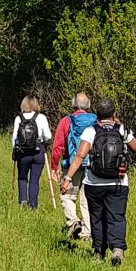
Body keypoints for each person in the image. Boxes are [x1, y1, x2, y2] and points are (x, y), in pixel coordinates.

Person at [59, 100, 136, 265]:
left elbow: (80, 156)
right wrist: (122, 128)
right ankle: (117, 249)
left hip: (94, 183)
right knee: (116, 217)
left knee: (97, 217)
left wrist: (67, 179)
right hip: (118, 182)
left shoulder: (91, 130)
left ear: (97, 114)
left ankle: (98, 253)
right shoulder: (121, 129)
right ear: (113, 113)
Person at [48, 93, 96, 240]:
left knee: (66, 195)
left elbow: (58, 146)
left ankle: (73, 222)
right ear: (88, 104)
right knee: (86, 199)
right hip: (92, 165)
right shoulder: (96, 120)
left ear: (73, 103)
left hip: (71, 165)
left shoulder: (67, 121)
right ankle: (87, 233)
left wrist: (54, 166)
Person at [12, 95, 54, 209]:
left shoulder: (18, 118)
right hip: (38, 151)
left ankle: (23, 201)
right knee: (34, 180)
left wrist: (14, 151)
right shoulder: (41, 117)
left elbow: (15, 138)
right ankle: (33, 205)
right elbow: (48, 136)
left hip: (22, 152)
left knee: (22, 177)